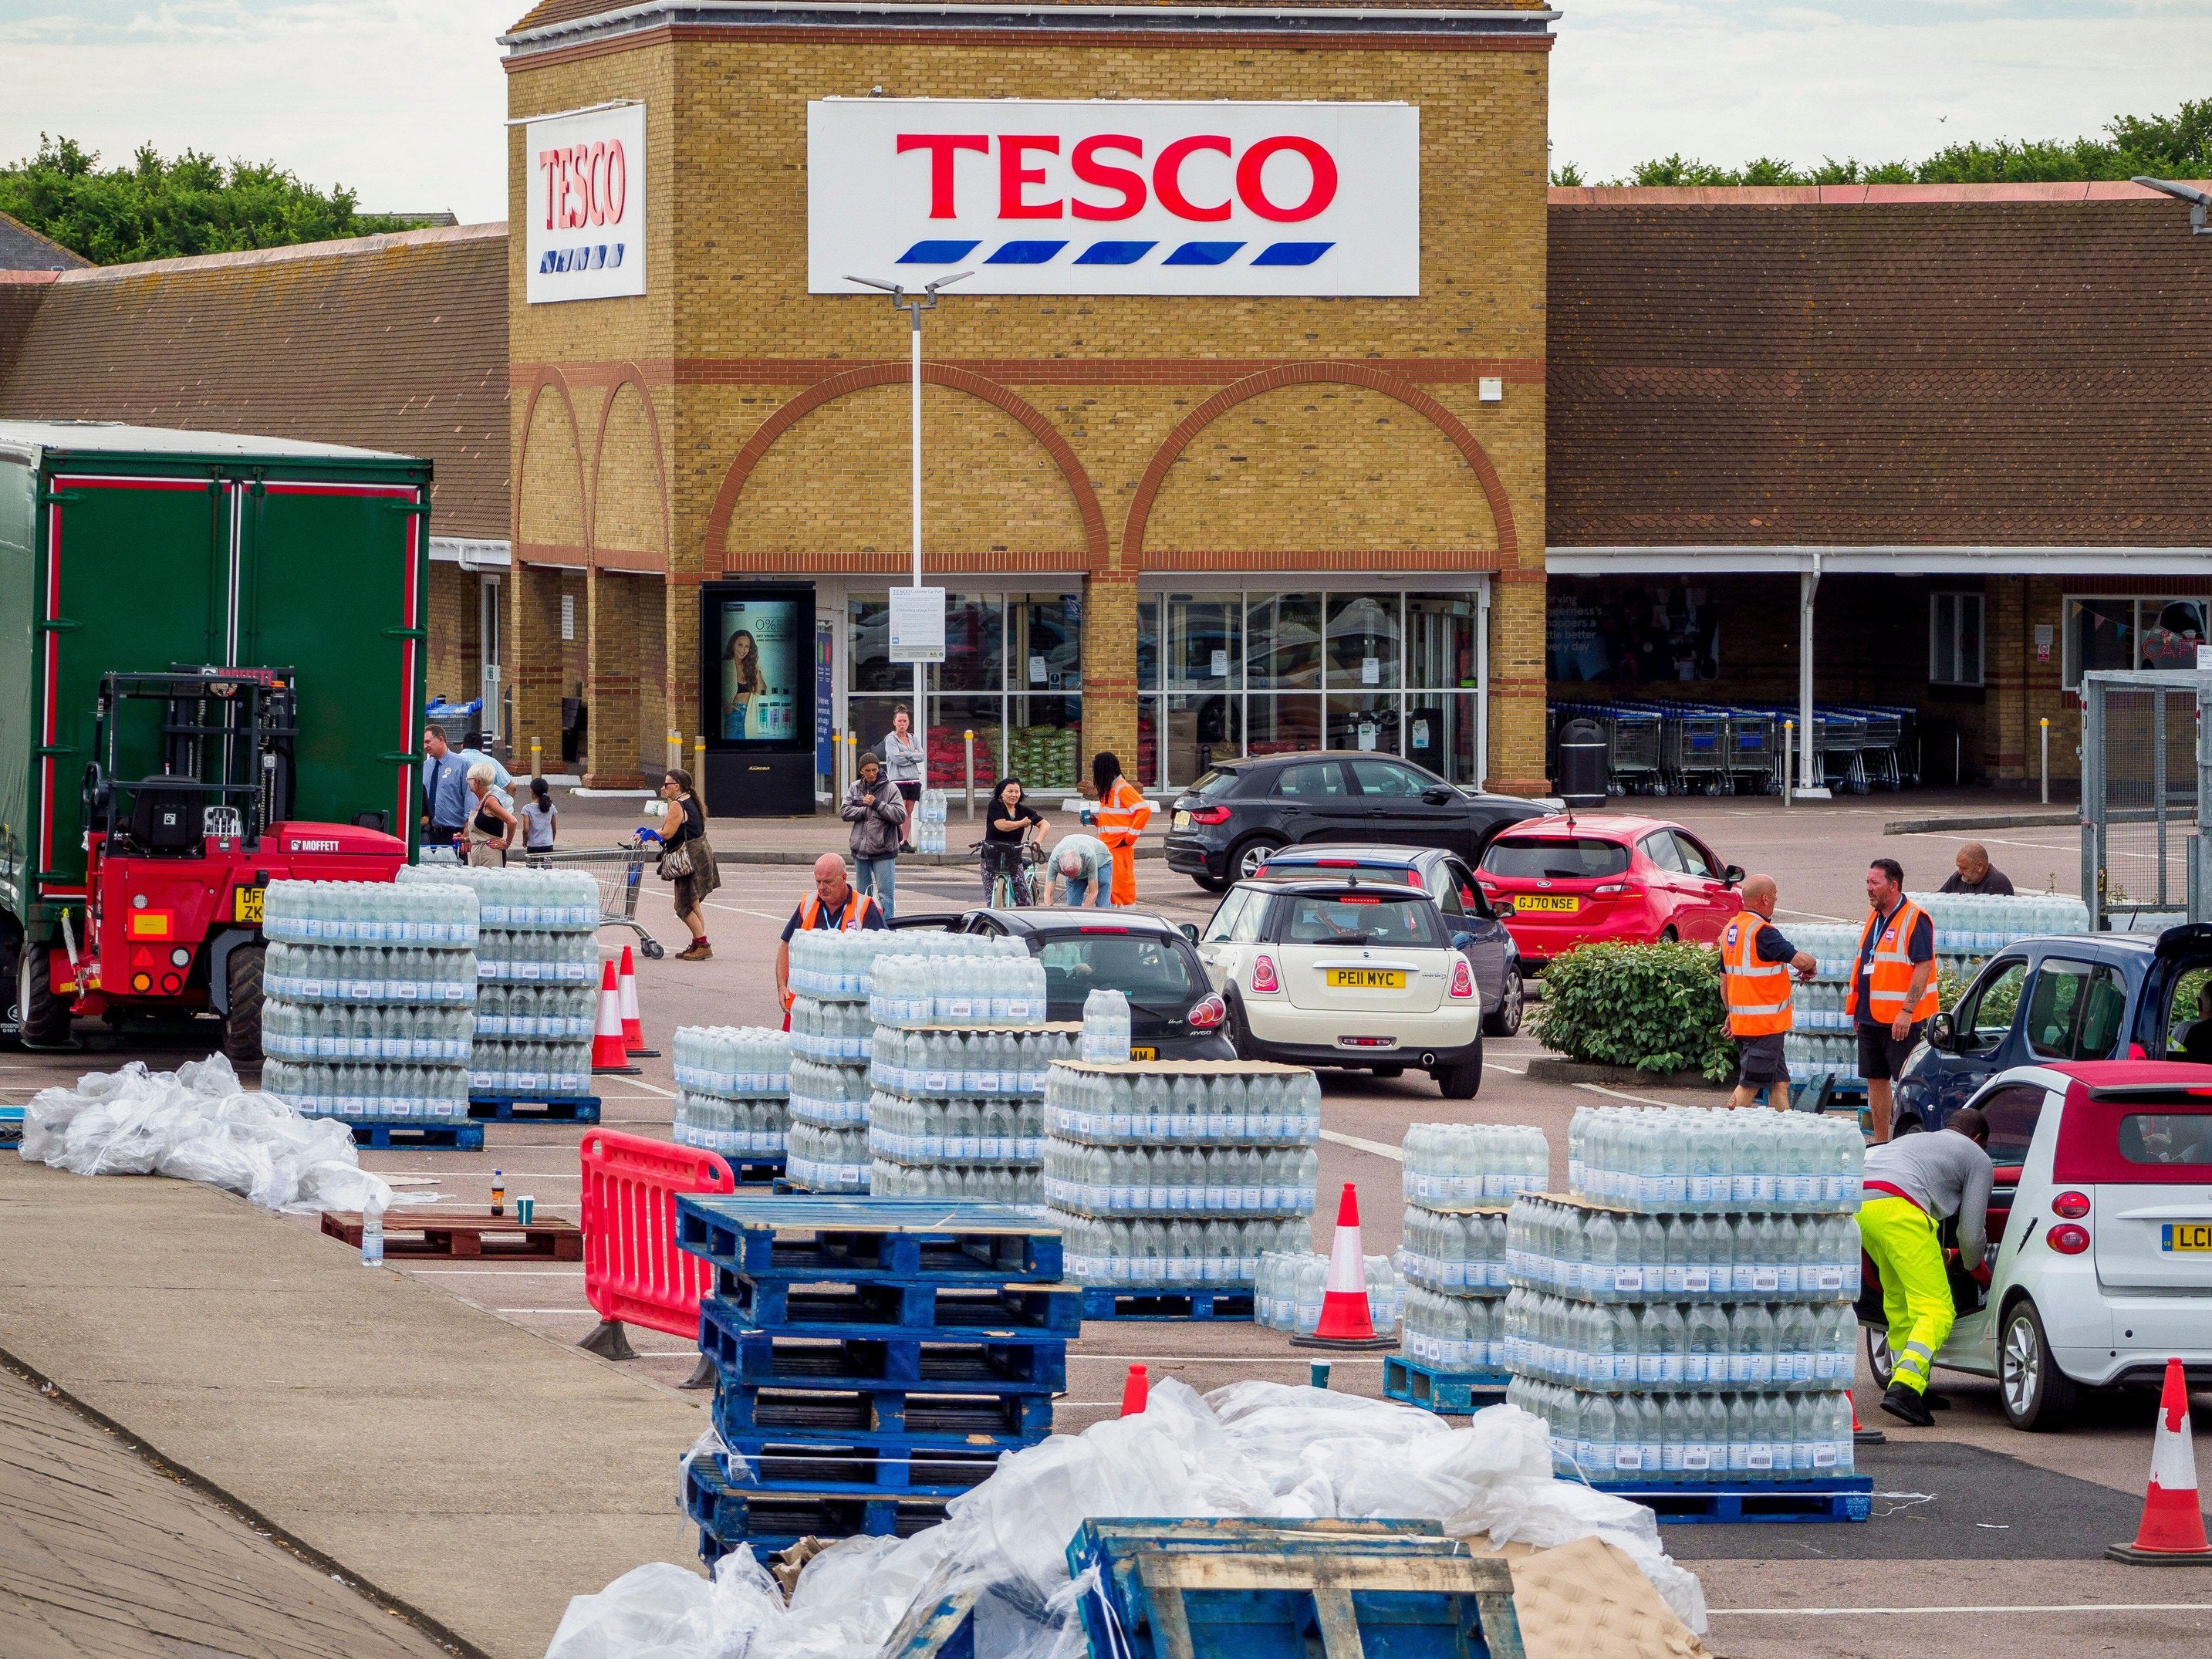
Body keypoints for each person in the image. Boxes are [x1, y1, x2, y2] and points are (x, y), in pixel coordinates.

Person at [1861, 1105, 1994, 1426]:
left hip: (1860, 1203)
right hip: (1900, 1209)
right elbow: (1971, 1234)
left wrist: (1944, 1255)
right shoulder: (1977, 1157)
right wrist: (1978, 1268)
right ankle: (1906, 1389)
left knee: (1900, 1301)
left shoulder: (1915, 1140)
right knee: (1936, 1308)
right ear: (1978, 1138)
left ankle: (1910, 1381)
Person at [1849, 857, 1937, 1144]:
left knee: (1904, 1081)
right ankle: (1881, 1139)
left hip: (1899, 1018)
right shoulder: (1874, 916)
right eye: (1867, 882)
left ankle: (1904, 1139)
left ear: (1893, 885)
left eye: (1874, 883)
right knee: (1875, 1079)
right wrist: (1857, 1009)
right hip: (1870, 1015)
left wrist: (1907, 1011)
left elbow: (1923, 966)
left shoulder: (1915, 918)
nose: (1869, 888)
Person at [1720, 873, 1819, 1110]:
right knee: (1749, 1085)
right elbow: (1800, 961)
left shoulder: (1731, 930)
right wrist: (1813, 963)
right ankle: (1724, 1130)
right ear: (1765, 898)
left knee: (1779, 1083)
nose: (1776, 900)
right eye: (1774, 896)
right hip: (1764, 1027)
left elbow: (1724, 980)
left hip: (1746, 1025)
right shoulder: (1763, 932)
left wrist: (1732, 1013)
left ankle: (1782, 1132)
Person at [775, 853, 887, 1012]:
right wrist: (782, 986)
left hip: (849, 1008)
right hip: (807, 1003)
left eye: (828, 882)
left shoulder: (864, 908)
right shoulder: (807, 905)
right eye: (818, 882)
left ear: (844, 877)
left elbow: (882, 954)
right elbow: (786, 945)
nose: (822, 887)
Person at [658, 768, 720, 960]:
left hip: (689, 859)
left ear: (677, 786)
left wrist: (646, 834)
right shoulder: (690, 800)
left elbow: (667, 833)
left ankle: (702, 944)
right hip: (700, 855)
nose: (663, 788)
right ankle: (697, 943)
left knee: (682, 905)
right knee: (693, 903)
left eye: (667, 784)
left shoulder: (677, 805)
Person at [842, 752, 907, 919]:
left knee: (885, 894)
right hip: (860, 849)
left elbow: (901, 815)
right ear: (861, 771)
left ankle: (888, 927)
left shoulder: (891, 788)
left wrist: (877, 804)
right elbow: (845, 812)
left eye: (874, 770)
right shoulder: (855, 787)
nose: (871, 774)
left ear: (879, 769)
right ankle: (864, 925)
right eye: (867, 770)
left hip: (883, 849)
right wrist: (864, 811)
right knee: (863, 894)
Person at [1089, 751, 1152, 907]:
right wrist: (1097, 822)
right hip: (1110, 847)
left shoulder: (1121, 788)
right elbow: (1115, 818)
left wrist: (1129, 838)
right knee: (1112, 887)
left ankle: (1124, 918)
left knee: (1119, 888)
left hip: (1119, 848)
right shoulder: (1110, 789)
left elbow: (1144, 810)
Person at [981, 775, 1046, 903]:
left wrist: (1037, 841)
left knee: (1022, 896)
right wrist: (1022, 823)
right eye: (1010, 791)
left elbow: (1045, 824)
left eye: (1017, 792)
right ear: (1002, 793)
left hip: (1013, 855)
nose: (1014, 795)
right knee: (990, 897)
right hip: (991, 854)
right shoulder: (995, 805)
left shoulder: (1023, 810)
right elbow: (1001, 825)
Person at [880, 706, 926, 848]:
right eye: (899, 721)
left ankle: (905, 841)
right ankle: (896, 840)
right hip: (898, 780)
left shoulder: (913, 738)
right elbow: (896, 759)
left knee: (909, 810)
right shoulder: (890, 739)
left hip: (913, 779)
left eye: (904, 721)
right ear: (894, 722)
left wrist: (905, 753)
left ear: (908, 722)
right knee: (900, 810)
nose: (902, 724)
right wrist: (912, 755)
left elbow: (922, 756)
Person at [420, 725, 468, 849]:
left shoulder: (462, 765)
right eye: (424, 743)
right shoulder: (424, 767)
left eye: (428, 742)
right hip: (427, 833)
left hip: (452, 834)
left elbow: (470, 803)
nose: (425, 747)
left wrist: (467, 833)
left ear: (440, 740)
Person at [462, 762, 518, 867]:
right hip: (480, 854)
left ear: (476, 782)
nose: (467, 782)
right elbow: (485, 831)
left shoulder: (490, 801)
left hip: (490, 855)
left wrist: (507, 843)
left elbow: (512, 821)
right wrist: (466, 839)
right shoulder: (481, 801)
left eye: (468, 780)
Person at [1048, 830, 1112, 907]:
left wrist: (1081, 916)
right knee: (1072, 905)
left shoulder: (1089, 856)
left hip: (1102, 861)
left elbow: (1093, 892)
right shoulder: (1054, 860)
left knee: (1102, 886)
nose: (1072, 878)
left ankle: (1104, 917)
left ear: (1081, 865)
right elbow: (1048, 894)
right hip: (1081, 863)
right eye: (1067, 875)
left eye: (1075, 874)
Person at [723, 630, 765, 738]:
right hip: (732, 715)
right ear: (733, 645)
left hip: (750, 716)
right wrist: (725, 705)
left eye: (747, 646)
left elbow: (762, 692)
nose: (743, 650)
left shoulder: (751, 667)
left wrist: (755, 666)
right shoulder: (725, 665)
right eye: (740, 645)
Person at [1939, 843, 2014, 897]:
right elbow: (1937, 899)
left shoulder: (1997, 884)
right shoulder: (1957, 878)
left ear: (1979, 867)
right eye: (1959, 867)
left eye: (1964, 868)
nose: (1960, 871)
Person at [458, 730, 512, 797]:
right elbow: (512, 787)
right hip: (485, 804)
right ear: (482, 748)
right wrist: (506, 804)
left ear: (462, 746)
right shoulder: (491, 762)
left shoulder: (453, 761)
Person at [520, 775, 558, 854]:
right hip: (548, 844)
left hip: (533, 845)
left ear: (532, 791)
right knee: (547, 866)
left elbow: (526, 830)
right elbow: (554, 828)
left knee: (531, 866)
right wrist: (551, 840)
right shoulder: (551, 807)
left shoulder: (527, 808)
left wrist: (525, 841)